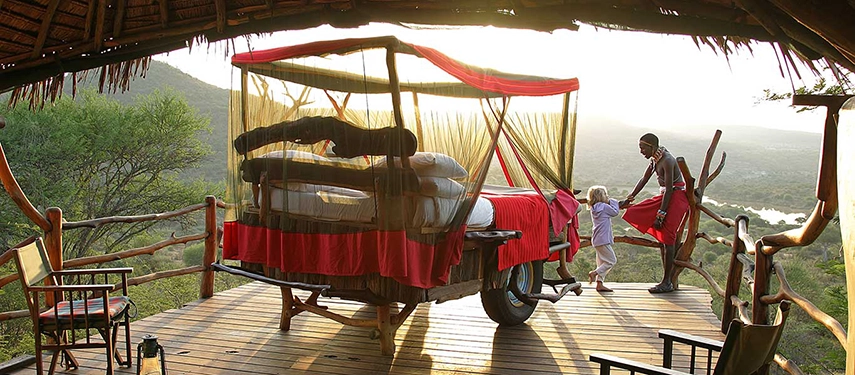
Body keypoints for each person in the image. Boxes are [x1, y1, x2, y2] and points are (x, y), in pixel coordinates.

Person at [622, 133, 690, 294]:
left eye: (643, 148)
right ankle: (666, 280)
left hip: (675, 197)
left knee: (668, 238)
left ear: (652, 146)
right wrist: (629, 197)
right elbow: (644, 179)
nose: (641, 151)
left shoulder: (666, 159)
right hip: (666, 197)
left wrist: (661, 214)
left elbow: (670, 190)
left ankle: (667, 282)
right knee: (634, 211)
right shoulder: (655, 159)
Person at [586, 185, 620, 293]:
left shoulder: (594, 208)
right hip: (603, 239)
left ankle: (599, 284)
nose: (607, 196)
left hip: (597, 239)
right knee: (611, 261)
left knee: (601, 262)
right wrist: (612, 201)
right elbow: (615, 212)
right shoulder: (604, 207)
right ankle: (594, 273)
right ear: (601, 196)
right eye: (605, 194)